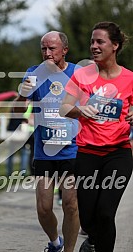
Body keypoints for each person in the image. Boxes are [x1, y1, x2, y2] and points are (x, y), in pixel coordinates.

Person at [60, 21, 133, 252]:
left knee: (105, 212)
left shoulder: (130, 78)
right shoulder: (82, 75)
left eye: (100, 41)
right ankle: (92, 240)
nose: (94, 46)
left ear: (115, 45)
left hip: (118, 153)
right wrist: (79, 109)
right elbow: (64, 108)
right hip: (87, 153)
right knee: (89, 219)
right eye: (92, 41)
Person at [14, 31, 81, 252]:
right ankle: (55, 243)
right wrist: (23, 95)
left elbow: (92, 106)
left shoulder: (78, 73)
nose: (47, 53)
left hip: (72, 148)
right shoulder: (33, 73)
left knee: (71, 205)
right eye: (43, 48)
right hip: (44, 150)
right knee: (44, 208)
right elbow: (17, 111)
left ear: (65, 50)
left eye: (52, 48)